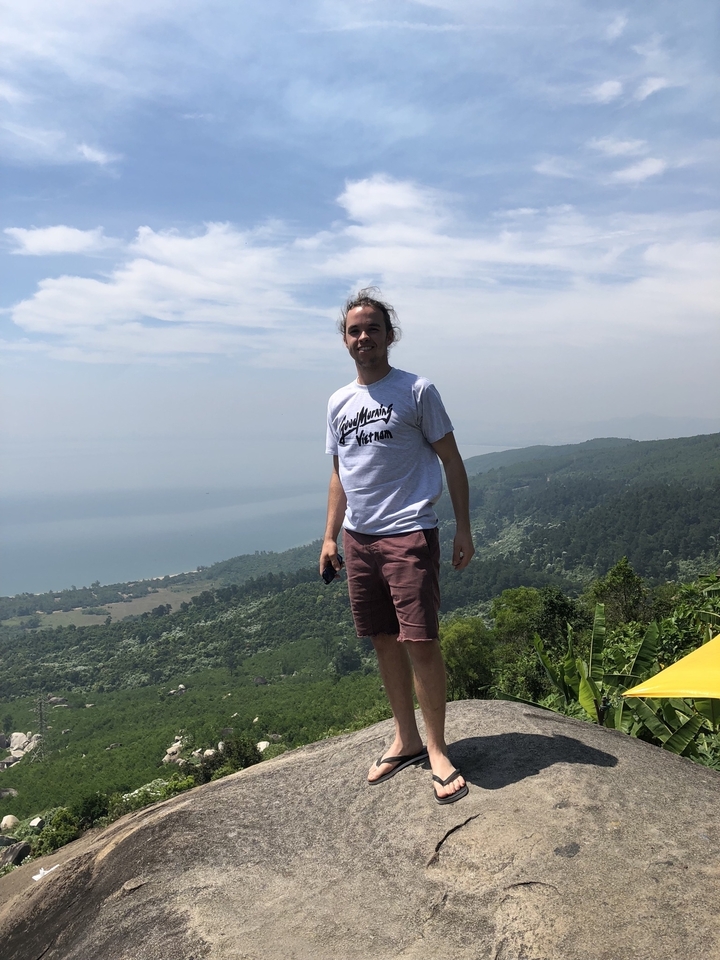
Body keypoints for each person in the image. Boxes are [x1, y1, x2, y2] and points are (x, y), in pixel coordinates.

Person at [320, 289, 475, 803]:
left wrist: (463, 528)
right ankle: (405, 739)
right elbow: (340, 473)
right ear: (345, 340)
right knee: (384, 639)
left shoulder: (417, 390)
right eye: (354, 330)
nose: (363, 337)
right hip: (358, 538)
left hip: (409, 532)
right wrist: (329, 536)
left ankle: (436, 748)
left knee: (420, 641)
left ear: (390, 335)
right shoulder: (338, 402)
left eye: (372, 328)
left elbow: (452, 460)